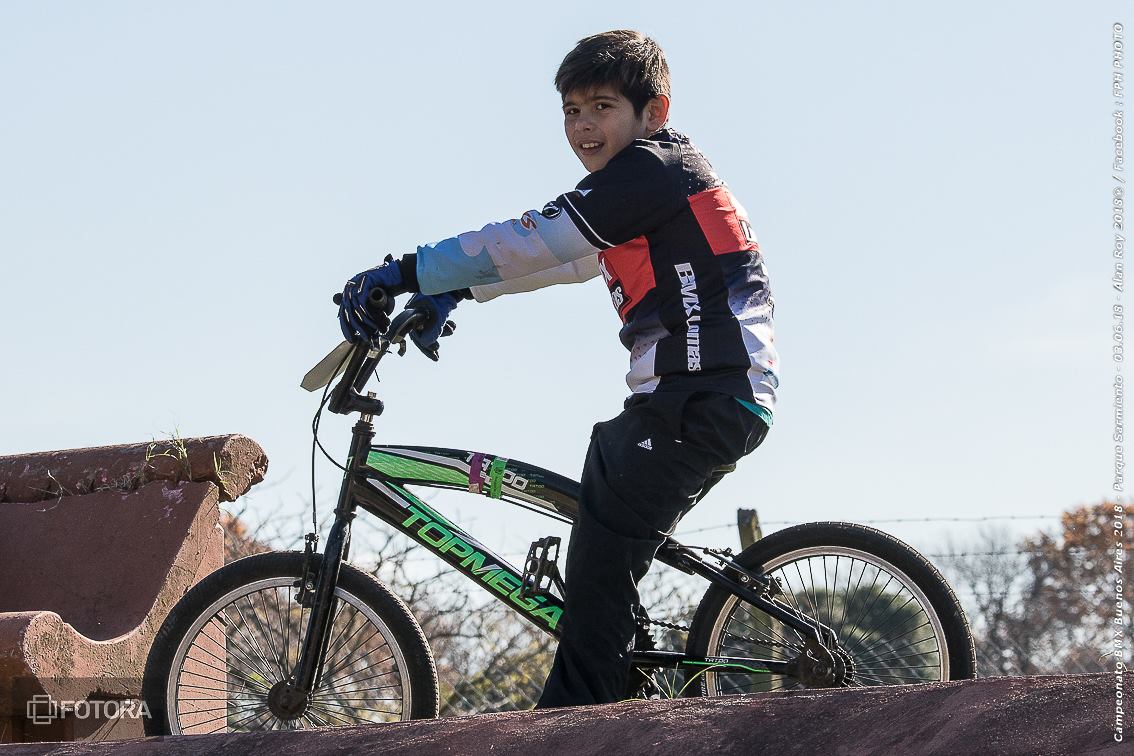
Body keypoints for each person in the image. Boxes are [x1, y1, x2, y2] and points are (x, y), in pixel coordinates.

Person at [337, 29, 779, 708]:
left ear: (654, 111)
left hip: (702, 393)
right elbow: (563, 258)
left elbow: (538, 237)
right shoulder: (646, 188)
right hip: (701, 395)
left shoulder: (654, 172)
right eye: (572, 111)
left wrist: (406, 271)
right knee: (608, 487)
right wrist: (455, 289)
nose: (583, 126)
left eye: (602, 107)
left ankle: (576, 718)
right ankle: (619, 674)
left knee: (599, 565)